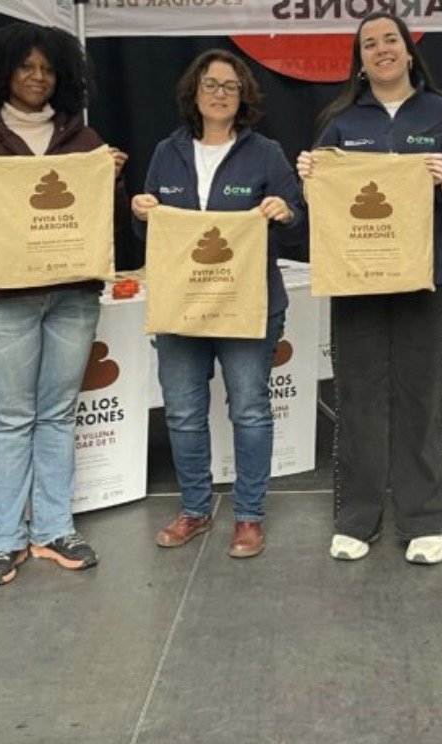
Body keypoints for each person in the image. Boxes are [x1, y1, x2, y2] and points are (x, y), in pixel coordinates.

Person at [0, 22, 127, 587]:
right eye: (26, 67)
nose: (38, 77)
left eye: (47, 68)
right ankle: (6, 538)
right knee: (12, 419)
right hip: (0, 304)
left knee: (58, 414)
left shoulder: (85, 144)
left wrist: (107, 182)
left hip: (71, 298)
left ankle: (55, 529)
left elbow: (95, 227)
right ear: (2, 73)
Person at [295, 14, 442, 566]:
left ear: (410, 51)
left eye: (391, 39)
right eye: (369, 44)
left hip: (427, 275)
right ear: (359, 60)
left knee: (421, 394)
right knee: (358, 394)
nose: (381, 49)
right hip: (358, 278)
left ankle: (423, 518)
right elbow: (319, 206)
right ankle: (356, 518)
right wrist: (309, 175)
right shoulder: (340, 121)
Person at [132, 49, 304, 559]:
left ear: (243, 95)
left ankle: (248, 517)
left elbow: (298, 227)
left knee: (250, 411)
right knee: (183, 413)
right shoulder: (168, 152)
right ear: (194, 91)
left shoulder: (267, 153)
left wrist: (284, 212)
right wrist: (140, 211)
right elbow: (151, 228)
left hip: (248, 306)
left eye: (230, 86)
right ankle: (195, 509)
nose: (220, 93)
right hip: (181, 307)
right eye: (211, 84)